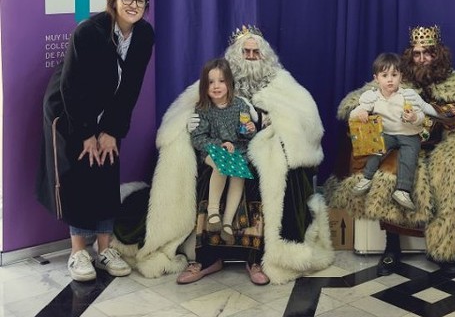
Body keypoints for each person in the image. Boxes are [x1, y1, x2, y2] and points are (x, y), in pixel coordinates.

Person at [116, 26, 333, 285]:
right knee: (208, 174)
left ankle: (255, 258)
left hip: (259, 151)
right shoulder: (218, 81)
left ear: (265, 56)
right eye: (245, 52)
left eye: (255, 52)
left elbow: (304, 122)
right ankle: (207, 258)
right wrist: (190, 126)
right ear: (235, 56)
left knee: (260, 177)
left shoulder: (282, 83)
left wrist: (271, 126)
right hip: (219, 151)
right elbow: (187, 110)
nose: (250, 57)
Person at [327, 25, 455, 275]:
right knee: (390, 169)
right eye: (417, 53)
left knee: (450, 170)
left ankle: (444, 248)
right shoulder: (398, 78)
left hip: (439, 145)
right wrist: (363, 112)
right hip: (402, 143)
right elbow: (358, 100)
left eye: (428, 53)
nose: (422, 59)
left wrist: (437, 114)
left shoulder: (453, 81)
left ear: (438, 54)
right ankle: (392, 247)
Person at [37, 0, 155, 282]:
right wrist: (87, 134)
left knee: (107, 167)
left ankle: (104, 248)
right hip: (69, 109)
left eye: (140, 0)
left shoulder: (144, 35)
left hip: (107, 112)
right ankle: (78, 251)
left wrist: (112, 131)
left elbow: (131, 88)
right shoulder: (89, 31)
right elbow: (72, 87)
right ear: (114, 0)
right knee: (81, 171)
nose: (133, 5)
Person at [350, 52, 436, 211]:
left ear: (401, 77)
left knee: (409, 157)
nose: (390, 79)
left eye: (394, 75)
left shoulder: (407, 96)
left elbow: (422, 116)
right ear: (376, 79)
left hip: (409, 134)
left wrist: (414, 117)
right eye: (385, 75)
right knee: (376, 150)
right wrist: (361, 112)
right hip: (387, 133)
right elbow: (354, 113)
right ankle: (367, 177)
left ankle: (402, 190)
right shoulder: (373, 97)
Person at [190, 58, 257, 246]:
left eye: (221, 81)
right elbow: (198, 138)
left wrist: (250, 130)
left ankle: (227, 222)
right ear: (204, 86)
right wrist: (220, 144)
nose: (216, 86)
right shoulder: (203, 108)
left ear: (229, 83)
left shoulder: (240, 105)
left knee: (238, 175)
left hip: (237, 150)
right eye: (211, 82)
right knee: (222, 163)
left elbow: (245, 133)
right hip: (212, 150)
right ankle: (213, 212)